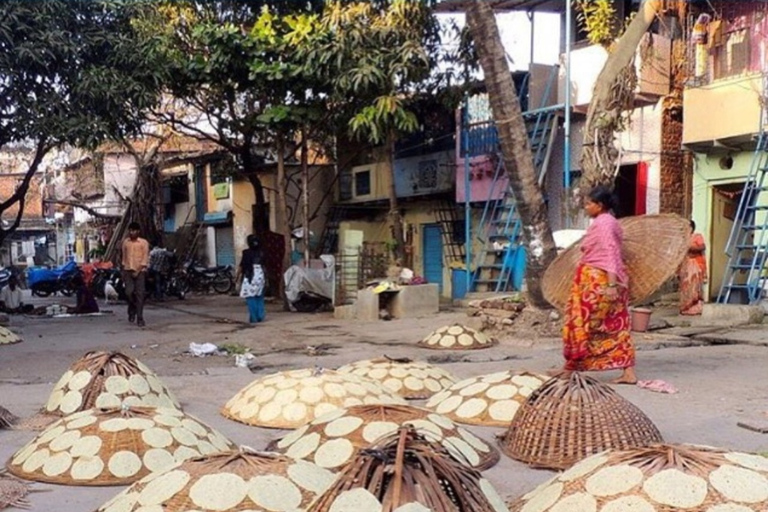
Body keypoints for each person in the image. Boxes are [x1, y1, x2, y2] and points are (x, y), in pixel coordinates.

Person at [557, 186, 637, 384]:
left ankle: (571, 368)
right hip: (605, 278)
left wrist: (610, 285)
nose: (585, 207)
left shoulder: (604, 224)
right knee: (614, 325)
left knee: (581, 323)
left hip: (598, 281)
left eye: (588, 204)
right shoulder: (610, 222)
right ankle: (627, 372)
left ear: (599, 205)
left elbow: (610, 252)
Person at [121, 222, 149, 327]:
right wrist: (123, 271)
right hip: (128, 270)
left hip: (140, 271)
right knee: (129, 292)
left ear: (138, 231)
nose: (132, 233)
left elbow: (145, 258)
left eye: (134, 231)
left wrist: (138, 271)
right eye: (130, 231)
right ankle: (131, 308)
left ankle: (140, 317)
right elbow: (123, 257)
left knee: (140, 295)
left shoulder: (143, 243)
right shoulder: (126, 243)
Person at [679, 220, 707, 315]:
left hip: (695, 265)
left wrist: (691, 248)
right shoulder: (683, 239)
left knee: (695, 287)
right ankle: (686, 308)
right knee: (686, 287)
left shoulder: (697, 236)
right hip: (686, 266)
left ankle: (695, 308)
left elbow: (702, 247)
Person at [238, 234, 266, 323]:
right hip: (260, 275)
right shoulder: (262, 252)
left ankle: (253, 317)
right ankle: (260, 316)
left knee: (250, 297)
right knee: (259, 296)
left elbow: (242, 266)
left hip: (250, 276)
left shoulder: (246, 253)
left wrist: (237, 276)